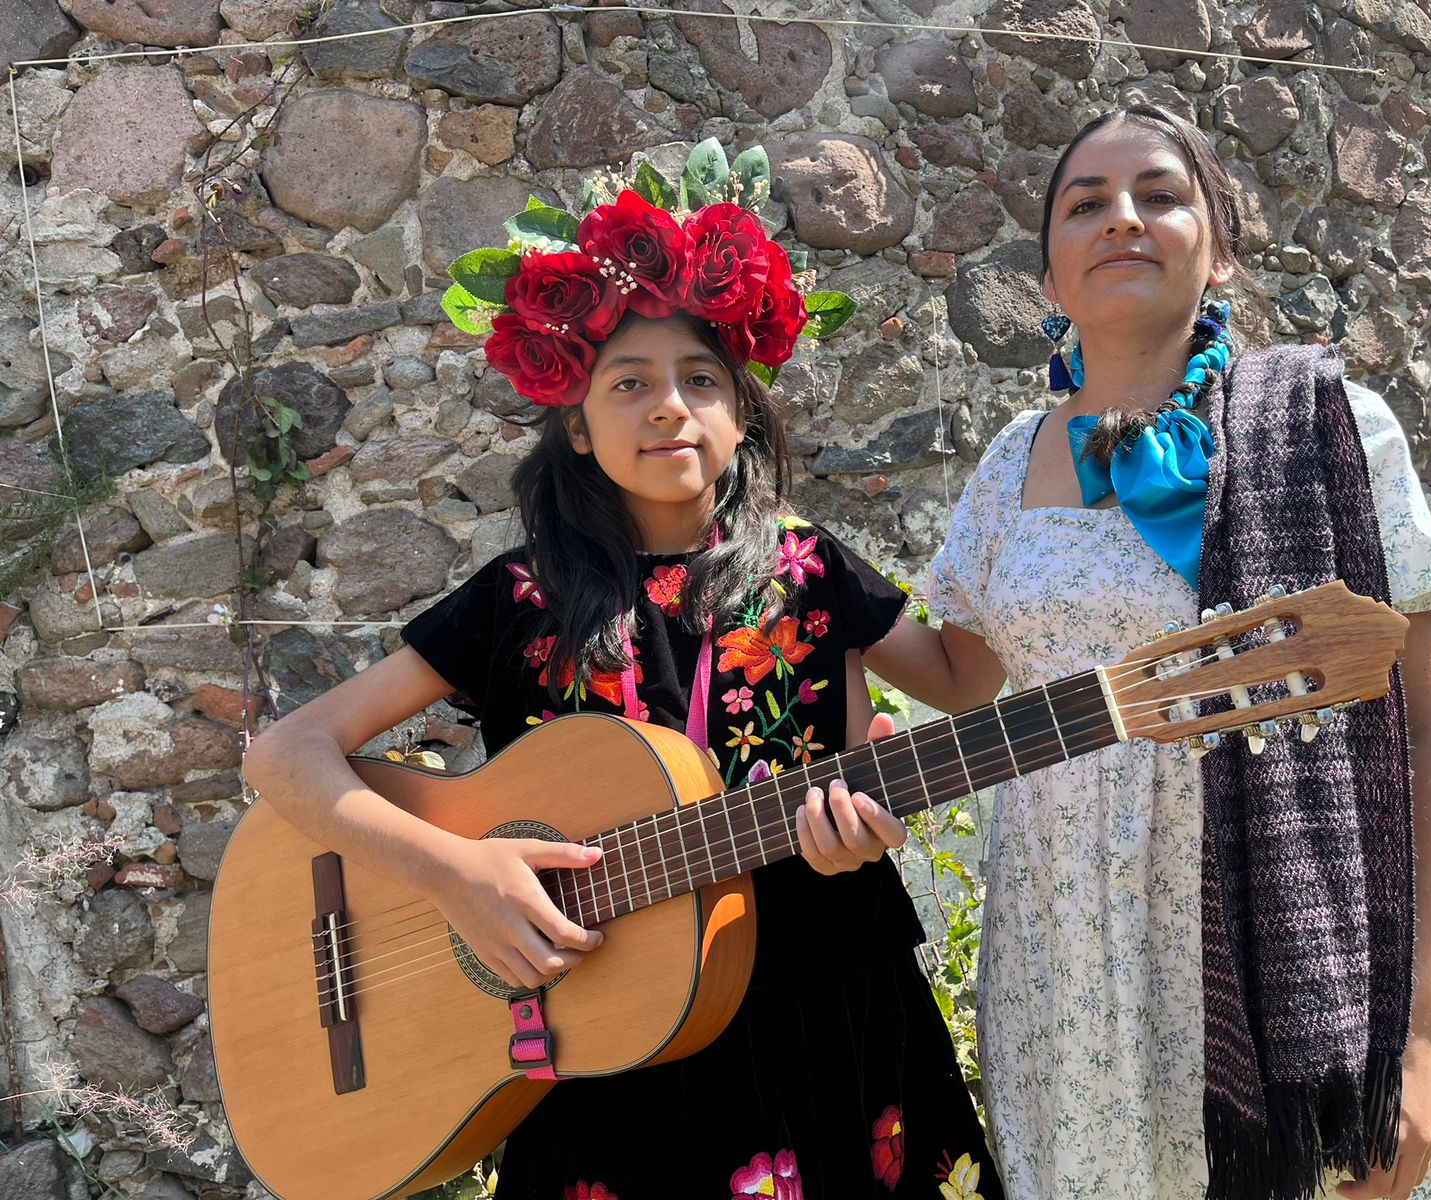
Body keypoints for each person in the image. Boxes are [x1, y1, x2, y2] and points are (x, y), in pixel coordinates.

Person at [241, 168, 1001, 1198]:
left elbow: (965, 684)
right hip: (603, 1036)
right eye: (628, 382)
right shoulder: (519, 598)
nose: (669, 408)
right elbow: (285, 755)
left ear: (742, 418)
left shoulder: (813, 571)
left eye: (701, 379)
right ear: (579, 427)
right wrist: (454, 875)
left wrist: (1038, 524)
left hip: (821, 1006)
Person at [862, 105, 1431, 1200]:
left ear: (1216, 248)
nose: (1122, 218)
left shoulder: (1329, 431)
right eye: (1085, 205)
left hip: (1294, 970)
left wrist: (1420, 1034)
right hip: (1071, 976)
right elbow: (964, 675)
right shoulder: (1009, 464)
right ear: (1052, 274)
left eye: (1159, 195)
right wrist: (808, 581)